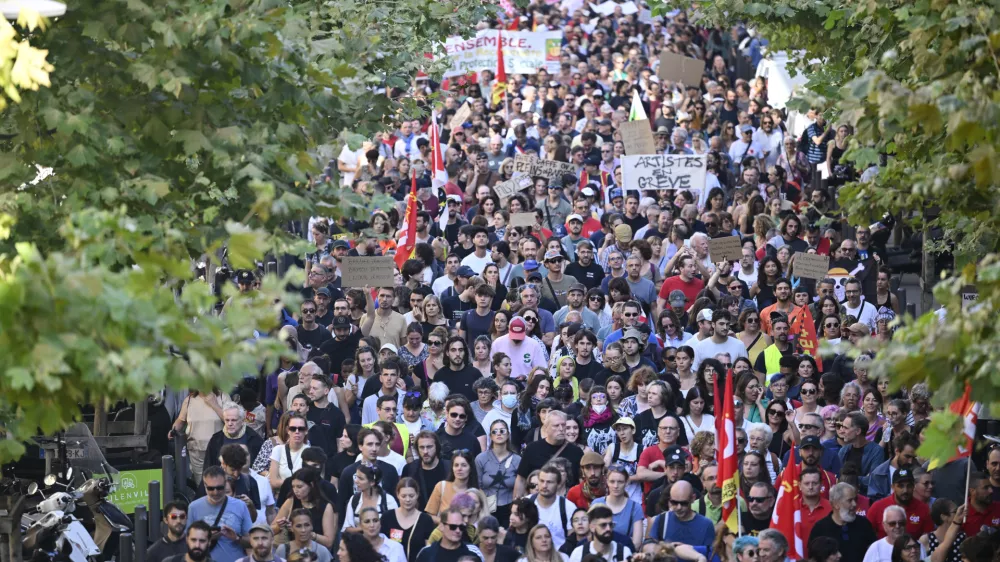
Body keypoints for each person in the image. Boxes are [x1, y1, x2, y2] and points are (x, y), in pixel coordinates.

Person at [186, 466, 253, 562]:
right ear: (204, 486)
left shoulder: (240, 506)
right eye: (210, 488)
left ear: (225, 484)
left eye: (220, 488)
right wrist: (207, 538)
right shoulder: (194, 507)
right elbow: (187, 543)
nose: (215, 492)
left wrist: (237, 538)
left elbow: (252, 541)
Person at [515, 410, 585, 497]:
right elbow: (521, 479)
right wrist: (517, 503)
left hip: (566, 502)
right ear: (546, 428)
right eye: (556, 425)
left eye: (563, 425)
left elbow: (582, 482)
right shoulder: (532, 449)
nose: (561, 429)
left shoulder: (576, 452)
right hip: (538, 502)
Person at [810, 482, 878, 562]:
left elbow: (874, 553)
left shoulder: (864, 524)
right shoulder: (820, 528)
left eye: (855, 499)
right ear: (836, 504)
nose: (854, 504)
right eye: (850, 500)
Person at [271, 468, 336, 549]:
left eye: (299, 487)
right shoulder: (291, 501)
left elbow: (329, 542)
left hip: (315, 552)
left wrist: (309, 534)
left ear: (311, 485)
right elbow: (271, 530)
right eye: (293, 487)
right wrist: (279, 526)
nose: (295, 491)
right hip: (293, 552)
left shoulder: (325, 506)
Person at [867, 467, 933, 541]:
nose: (905, 490)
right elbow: (866, 536)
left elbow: (928, 541)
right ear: (893, 487)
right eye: (901, 486)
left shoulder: (923, 509)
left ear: (914, 486)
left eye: (909, 486)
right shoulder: (877, 507)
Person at [476, 419, 520, 526]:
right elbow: (477, 485)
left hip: (509, 507)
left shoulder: (517, 460)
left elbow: (520, 486)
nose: (498, 433)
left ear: (508, 434)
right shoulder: (481, 459)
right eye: (494, 431)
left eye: (502, 431)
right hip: (486, 507)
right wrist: (484, 509)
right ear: (490, 436)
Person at [381, 478, 437, 562]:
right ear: (397, 495)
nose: (407, 500)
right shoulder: (387, 517)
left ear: (417, 495)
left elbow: (428, 549)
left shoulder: (425, 520)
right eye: (403, 496)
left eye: (411, 496)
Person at [646, 480, 715, 547]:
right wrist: (666, 548)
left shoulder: (706, 525)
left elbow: (709, 554)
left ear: (693, 498)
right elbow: (649, 549)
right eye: (674, 503)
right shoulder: (661, 520)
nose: (679, 507)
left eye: (684, 503)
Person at [590, 465, 642, 548]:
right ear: (607, 482)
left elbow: (636, 543)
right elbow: (590, 535)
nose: (616, 486)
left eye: (620, 482)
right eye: (612, 481)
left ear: (626, 482)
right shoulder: (596, 504)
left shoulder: (635, 507)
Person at [205, 406, 264, 473]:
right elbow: (208, 468)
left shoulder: (254, 439)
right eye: (227, 420)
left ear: (242, 421)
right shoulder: (216, 439)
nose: (230, 424)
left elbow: (260, 469)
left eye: (234, 420)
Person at [414, 507, 486, 562]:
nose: (458, 531)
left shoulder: (472, 553)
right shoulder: (427, 553)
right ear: (441, 526)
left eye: (461, 527)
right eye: (453, 527)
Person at [426, 450, 478, 523]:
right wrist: (448, 523)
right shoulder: (441, 486)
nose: (459, 469)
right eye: (456, 465)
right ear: (452, 468)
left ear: (470, 468)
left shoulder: (476, 493)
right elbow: (430, 515)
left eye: (464, 465)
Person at [567, 505, 633, 562]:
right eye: (603, 525)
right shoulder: (579, 553)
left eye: (610, 525)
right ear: (592, 527)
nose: (608, 529)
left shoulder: (624, 552)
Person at [862, 506, 928, 562]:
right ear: (884, 526)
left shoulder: (917, 546)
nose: (897, 526)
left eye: (901, 523)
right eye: (892, 524)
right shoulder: (875, 548)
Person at [491, 318, 548, 382]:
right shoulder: (498, 343)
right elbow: (492, 367)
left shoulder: (534, 344)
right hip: (502, 384)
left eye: (519, 335)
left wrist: (526, 377)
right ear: (508, 329)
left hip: (525, 385)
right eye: (514, 335)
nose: (516, 339)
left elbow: (541, 371)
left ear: (526, 329)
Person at [402, 431, 447, 511]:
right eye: (422, 447)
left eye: (429, 447)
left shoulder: (448, 468)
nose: (425, 451)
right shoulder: (409, 469)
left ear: (437, 447)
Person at [269, 413, 311, 491]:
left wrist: (284, 482)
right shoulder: (278, 450)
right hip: (282, 496)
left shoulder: (309, 451)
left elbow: (310, 481)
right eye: (293, 428)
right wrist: (298, 483)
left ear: (306, 431)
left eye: (301, 429)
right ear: (288, 430)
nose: (297, 431)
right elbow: (274, 482)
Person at [838, 412, 886, 480]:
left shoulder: (876, 451)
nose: (841, 431)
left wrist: (848, 479)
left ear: (858, 431)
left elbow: (873, 479)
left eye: (846, 428)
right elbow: (837, 476)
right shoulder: (843, 450)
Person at [800, 467, 833, 558]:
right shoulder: (792, 509)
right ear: (800, 485)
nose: (810, 487)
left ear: (821, 485)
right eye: (806, 483)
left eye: (814, 483)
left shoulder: (832, 508)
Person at [961, 471, 1000, 536]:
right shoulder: (961, 515)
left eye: (991, 487)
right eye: (986, 488)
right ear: (972, 491)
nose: (991, 491)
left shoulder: (998, 508)